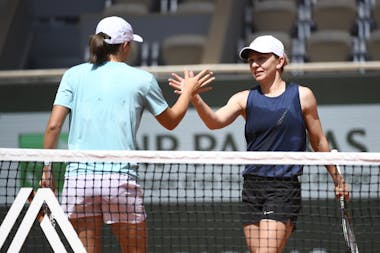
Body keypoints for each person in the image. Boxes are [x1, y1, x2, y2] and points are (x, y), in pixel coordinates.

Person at [40, 16, 214, 253]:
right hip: (118, 180)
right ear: (125, 46)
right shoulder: (142, 79)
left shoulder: (73, 75)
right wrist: (188, 91)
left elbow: (53, 126)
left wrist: (47, 169)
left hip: (79, 182)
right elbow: (171, 121)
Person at [169, 35, 349, 253]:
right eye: (251, 60)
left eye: (261, 59)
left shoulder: (303, 96)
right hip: (252, 188)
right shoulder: (244, 98)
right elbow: (214, 122)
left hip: (284, 187)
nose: (255, 64)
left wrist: (337, 179)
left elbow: (318, 141)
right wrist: (194, 97)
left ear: (280, 61)